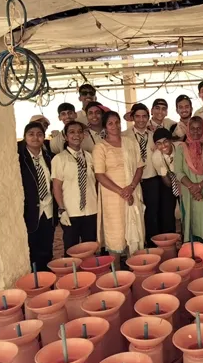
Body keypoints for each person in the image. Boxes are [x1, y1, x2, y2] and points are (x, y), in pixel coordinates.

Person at [94, 111, 145, 265]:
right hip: (113, 198)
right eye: (110, 123)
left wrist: (131, 187)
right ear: (105, 126)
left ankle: (136, 269)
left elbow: (139, 167)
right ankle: (116, 272)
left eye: (117, 122)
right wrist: (122, 192)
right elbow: (100, 175)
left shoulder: (130, 142)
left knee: (134, 231)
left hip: (132, 192)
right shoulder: (100, 147)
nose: (115, 126)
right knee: (115, 235)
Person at [51, 121, 98, 254]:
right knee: (72, 249)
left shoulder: (90, 156)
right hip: (71, 211)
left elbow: (95, 182)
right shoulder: (60, 159)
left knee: (90, 247)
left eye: (79, 132)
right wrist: (61, 209)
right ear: (66, 136)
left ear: (83, 135)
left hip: (91, 209)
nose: (76, 135)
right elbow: (56, 186)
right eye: (72, 132)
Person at [18, 122, 56, 272]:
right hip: (30, 211)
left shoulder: (49, 157)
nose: (35, 138)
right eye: (31, 134)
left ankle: (46, 278)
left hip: (48, 209)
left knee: (47, 248)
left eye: (39, 134)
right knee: (31, 249)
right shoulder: (19, 159)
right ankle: (35, 279)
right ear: (25, 137)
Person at [175, 116, 203, 242]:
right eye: (192, 128)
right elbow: (178, 171)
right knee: (190, 218)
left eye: (199, 128)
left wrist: (199, 186)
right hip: (188, 192)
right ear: (188, 130)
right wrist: (192, 187)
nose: (196, 131)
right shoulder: (181, 148)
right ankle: (191, 248)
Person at [123, 103, 159, 247]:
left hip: (151, 179)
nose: (141, 120)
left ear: (148, 117)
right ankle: (136, 244)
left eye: (144, 116)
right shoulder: (125, 136)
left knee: (152, 213)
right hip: (133, 180)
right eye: (137, 116)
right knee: (135, 213)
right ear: (132, 117)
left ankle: (151, 244)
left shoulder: (154, 135)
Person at [152, 128, 179, 234]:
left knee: (187, 210)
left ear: (171, 140)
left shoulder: (180, 148)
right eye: (158, 144)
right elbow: (167, 183)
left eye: (165, 141)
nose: (163, 146)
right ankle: (170, 236)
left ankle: (187, 236)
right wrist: (164, 174)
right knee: (167, 211)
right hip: (169, 180)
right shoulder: (156, 157)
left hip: (185, 180)